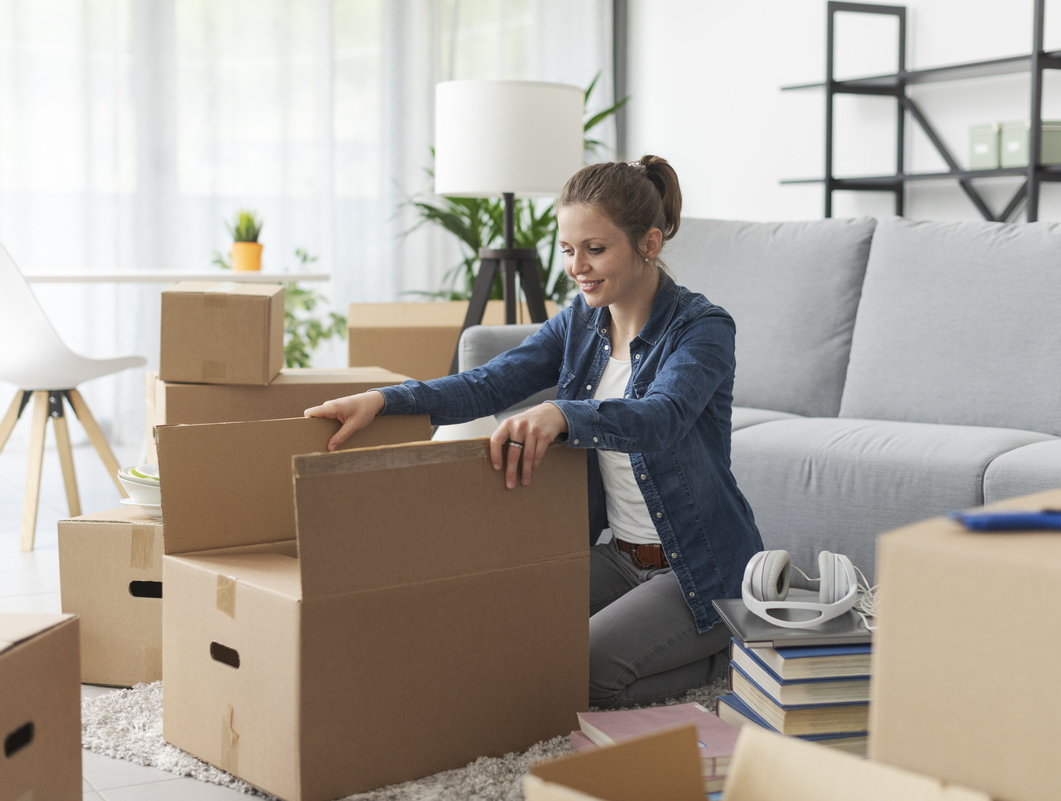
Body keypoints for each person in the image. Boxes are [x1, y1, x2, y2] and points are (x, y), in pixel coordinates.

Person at [306, 155, 762, 708]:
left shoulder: (703, 329)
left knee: (579, 671)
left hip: (700, 570)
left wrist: (566, 414)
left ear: (649, 243)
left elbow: (661, 418)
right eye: (568, 250)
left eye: (595, 249)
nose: (577, 267)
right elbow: (487, 384)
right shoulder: (580, 322)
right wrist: (385, 400)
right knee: (498, 634)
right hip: (619, 558)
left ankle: (725, 654)